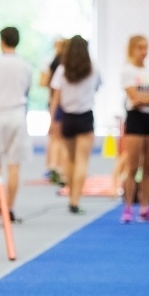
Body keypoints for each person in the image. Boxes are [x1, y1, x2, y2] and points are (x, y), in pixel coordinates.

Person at [0, 26, 32, 223]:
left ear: (1, 42)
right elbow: (26, 90)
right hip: (18, 115)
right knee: (14, 165)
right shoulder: (26, 66)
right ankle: (9, 208)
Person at [50, 35, 102, 214]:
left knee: (70, 159)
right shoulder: (93, 68)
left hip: (68, 117)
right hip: (85, 116)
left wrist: (52, 121)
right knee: (82, 161)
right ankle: (75, 199)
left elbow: (55, 98)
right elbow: (97, 87)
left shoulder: (62, 69)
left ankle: (71, 194)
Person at [120, 35, 149, 224]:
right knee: (133, 165)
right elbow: (134, 98)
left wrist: (147, 98)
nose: (143, 51)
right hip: (135, 120)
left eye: (146, 47)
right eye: (139, 48)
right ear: (132, 49)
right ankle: (128, 207)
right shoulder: (127, 71)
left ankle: (145, 207)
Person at [40, 38, 66, 185]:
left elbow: (43, 82)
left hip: (60, 103)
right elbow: (43, 82)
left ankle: (55, 167)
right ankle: (54, 167)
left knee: (57, 137)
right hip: (57, 102)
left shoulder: (64, 64)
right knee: (57, 137)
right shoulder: (52, 62)